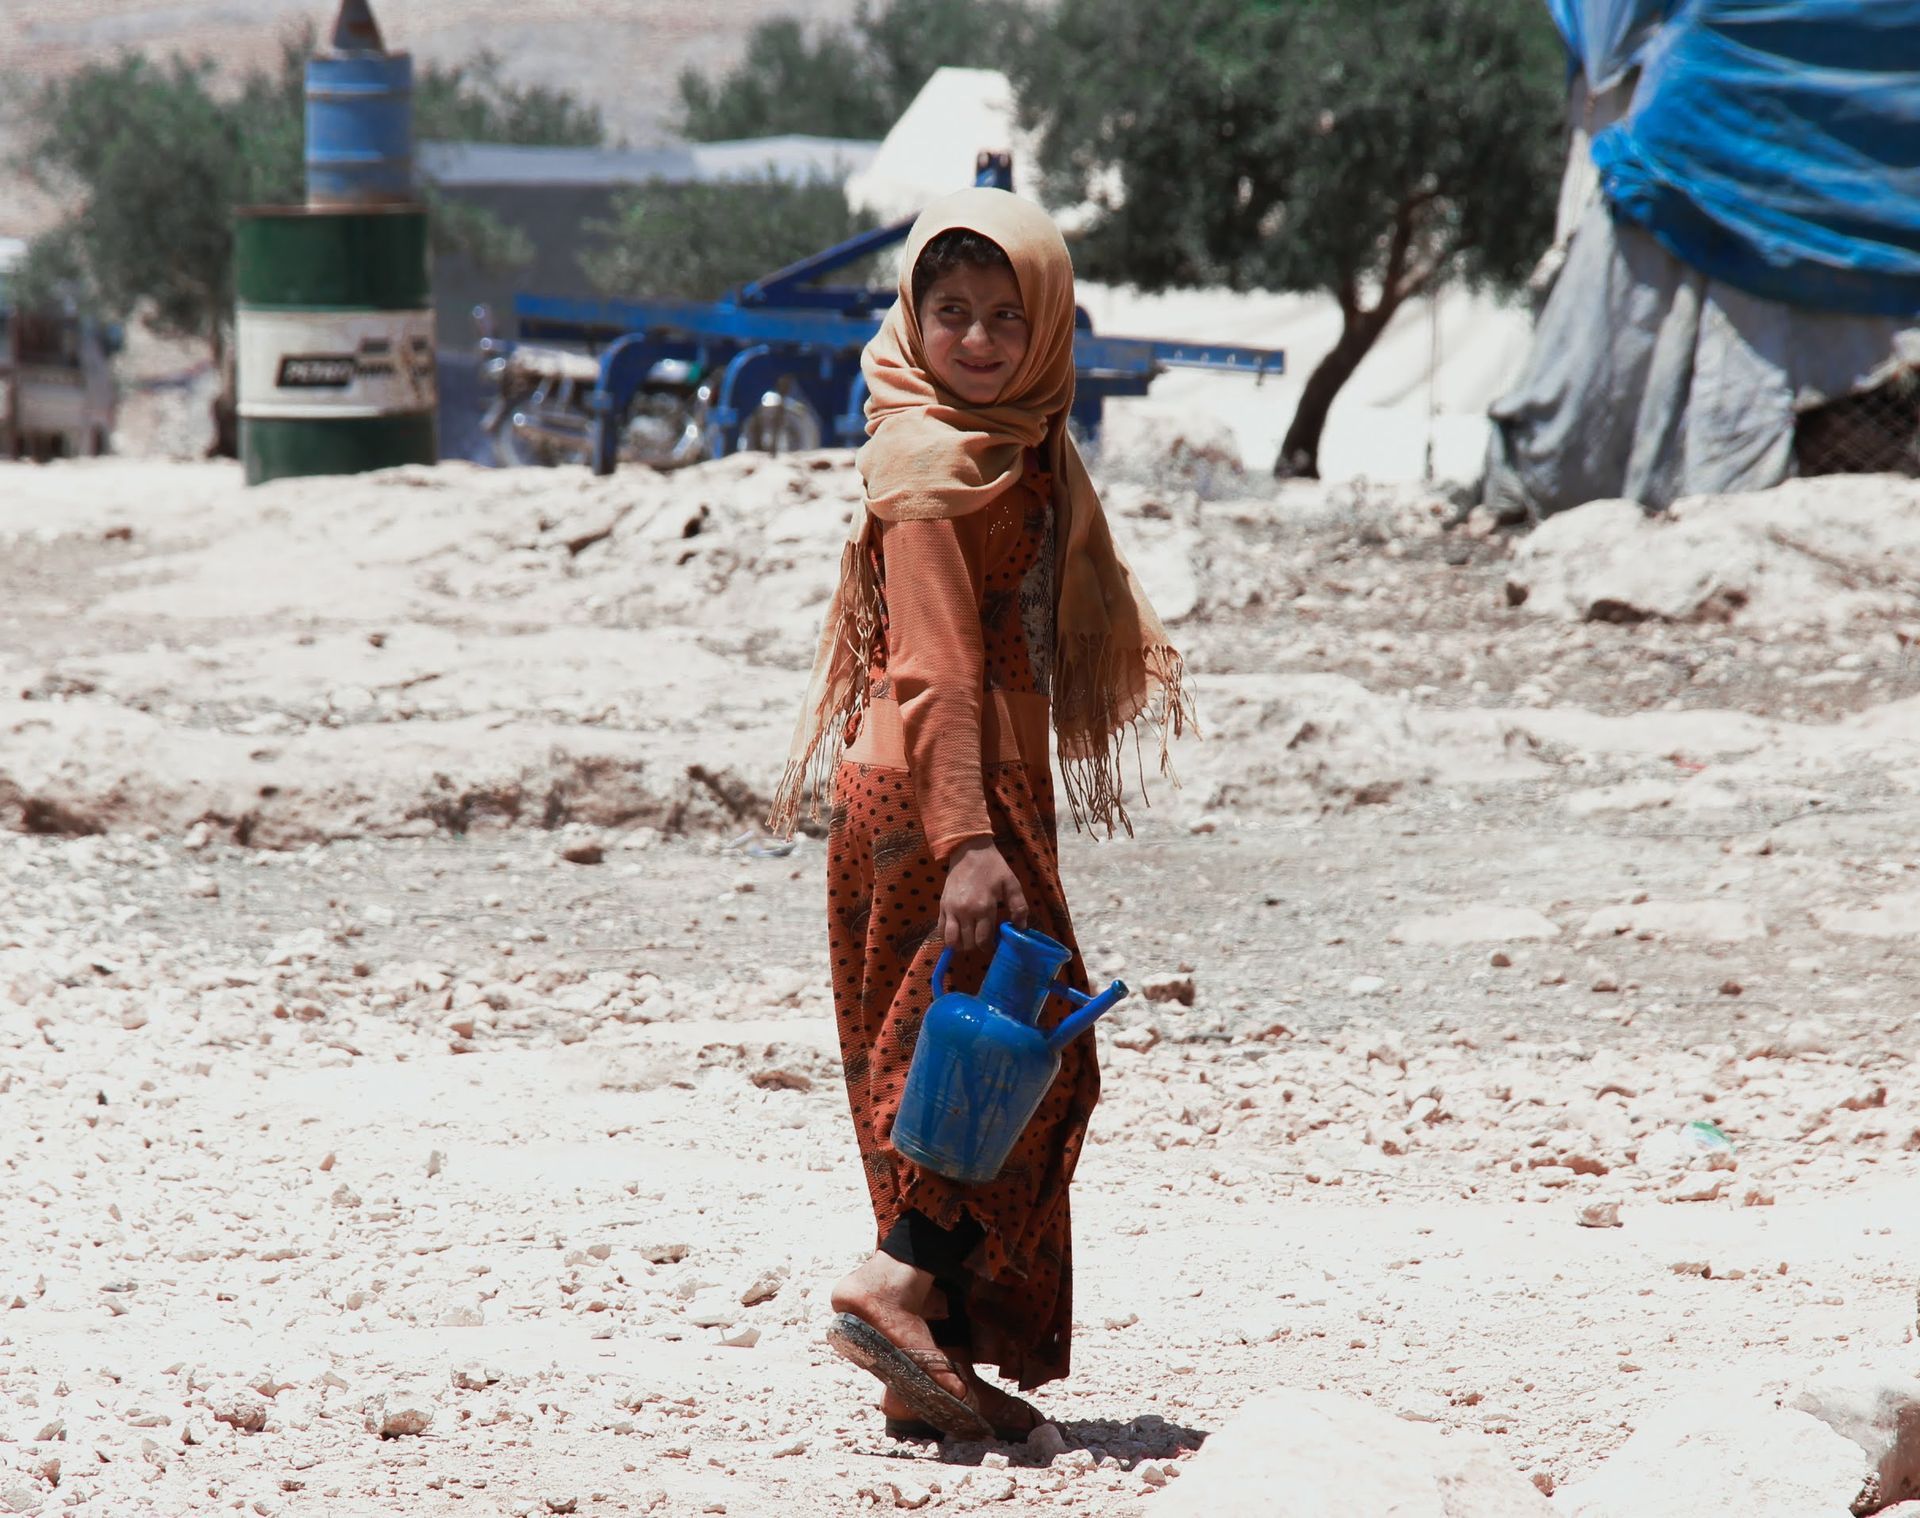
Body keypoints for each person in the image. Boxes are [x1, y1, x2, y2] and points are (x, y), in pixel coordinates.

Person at [768, 188, 1191, 1443]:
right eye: (949, 312)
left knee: (949, 1055)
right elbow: (938, 666)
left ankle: (931, 1362)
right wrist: (967, 841)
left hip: (975, 782)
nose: (978, 338)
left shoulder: (1015, 439)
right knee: (1021, 1048)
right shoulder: (931, 459)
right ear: (912, 313)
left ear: (1051, 320)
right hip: (936, 789)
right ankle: (898, 1282)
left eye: (1008, 315)